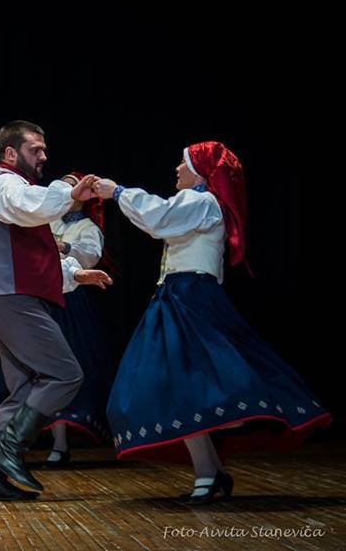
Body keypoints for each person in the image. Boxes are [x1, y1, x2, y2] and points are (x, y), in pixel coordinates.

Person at [95, 141, 331, 503]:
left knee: (191, 385)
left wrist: (118, 192)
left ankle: (211, 469)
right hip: (178, 295)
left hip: (189, 296)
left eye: (183, 163)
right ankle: (210, 471)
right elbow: (161, 223)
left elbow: (158, 218)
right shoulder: (197, 204)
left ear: (201, 172)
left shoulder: (202, 201)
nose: (176, 169)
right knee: (180, 389)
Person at [0, 120, 112, 502]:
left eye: (45, 148)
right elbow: (32, 205)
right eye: (35, 149)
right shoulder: (5, 184)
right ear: (10, 153)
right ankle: (7, 450)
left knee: (21, 391)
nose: (44, 155)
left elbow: (35, 255)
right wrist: (69, 190)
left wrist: (75, 274)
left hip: (12, 299)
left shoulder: (23, 194)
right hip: (11, 299)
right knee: (64, 374)